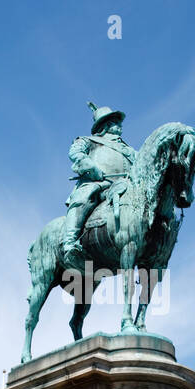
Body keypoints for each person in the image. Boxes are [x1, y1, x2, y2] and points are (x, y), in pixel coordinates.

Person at [63, 102, 136, 269]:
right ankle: (70, 243)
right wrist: (91, 167)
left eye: (118, 121)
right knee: (82, 199)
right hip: (97, 184)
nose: (119, 124)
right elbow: (75, 153)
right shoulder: (88, 141)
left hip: (123, 186)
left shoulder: (129, 150)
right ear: (106, 125)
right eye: (115, 121)